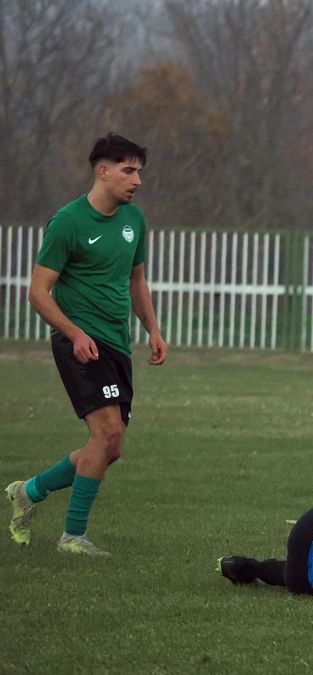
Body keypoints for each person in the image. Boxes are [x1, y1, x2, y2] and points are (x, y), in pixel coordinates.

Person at [5, 133, 168, 556]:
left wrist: (152, 329)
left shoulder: (135, 221)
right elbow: (38, 292)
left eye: (139, 172)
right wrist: (75, 333)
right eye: (129, 171)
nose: (137, 181)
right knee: (107, 432)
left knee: (109, 447)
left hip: (117, 345)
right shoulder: (68, 222)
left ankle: (29, 492)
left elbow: (137, 280)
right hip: (78, 342)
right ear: (103, 171)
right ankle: (72, 537)